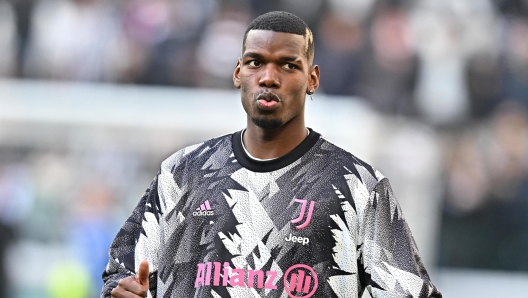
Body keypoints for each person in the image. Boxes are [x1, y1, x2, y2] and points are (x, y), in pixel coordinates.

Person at [101, 11, 442, 298]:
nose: (268, 77)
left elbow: (410, 291)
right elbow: (122, 274)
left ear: (312, 79)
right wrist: (123, 290)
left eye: (288, 66)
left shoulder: (357, 186)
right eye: (255, 62)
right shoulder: (183, 172)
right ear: (238, 73)